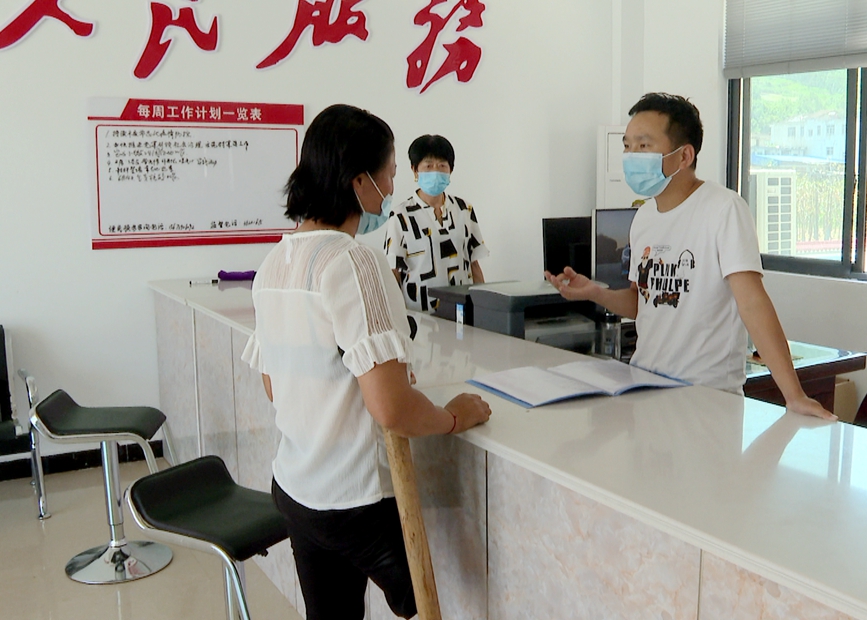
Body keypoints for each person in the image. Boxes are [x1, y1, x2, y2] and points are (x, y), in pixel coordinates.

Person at [242, 104, 491, 620]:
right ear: (360, 182)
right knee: (431, 605)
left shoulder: (274, 263)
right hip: (355, 502)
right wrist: (453, 417)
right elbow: (392, 409)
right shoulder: (355, 262)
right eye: (390, 174)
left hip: (295, 490)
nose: (392, 188)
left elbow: (274, 385)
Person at [545, 93, 834, 421]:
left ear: (684, 155)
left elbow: (753, 304)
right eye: (627, 146)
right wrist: (595, 292)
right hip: (645, 389)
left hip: (706, 399)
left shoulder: (724, 209)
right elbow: (641, 303)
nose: (631, 156)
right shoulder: (644, 218)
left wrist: (794, 396)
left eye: (644, 145)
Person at [384, 134, 489, 312]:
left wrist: (484, 308)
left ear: (450, 170)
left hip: (462, 311)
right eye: (428, 166)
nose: (435, 171)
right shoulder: (400, 215)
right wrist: (395, 315)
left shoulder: (464, 209)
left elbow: (474, 264)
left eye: (442, 166)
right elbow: (394, 273)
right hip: (419, 314)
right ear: (415, 170)